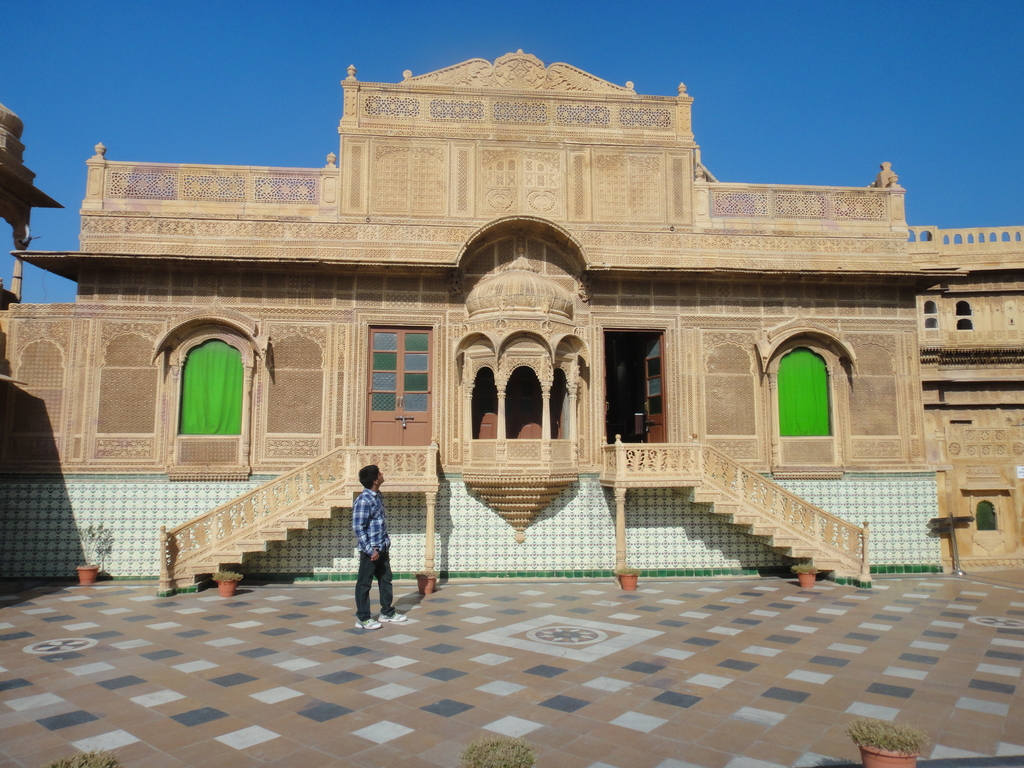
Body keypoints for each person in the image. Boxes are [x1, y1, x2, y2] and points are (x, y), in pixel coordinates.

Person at [352, 464, 407, 630]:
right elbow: (358, 527)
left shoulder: (377, 496)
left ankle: (387, 612)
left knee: (385, 580)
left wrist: (385, 543)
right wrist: (370, 550)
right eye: (380, 474)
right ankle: (363, 618)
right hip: (371, 551)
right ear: (375, 480)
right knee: (364, 584)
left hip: (382, 547)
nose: (383, 475)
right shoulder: (364, 500)